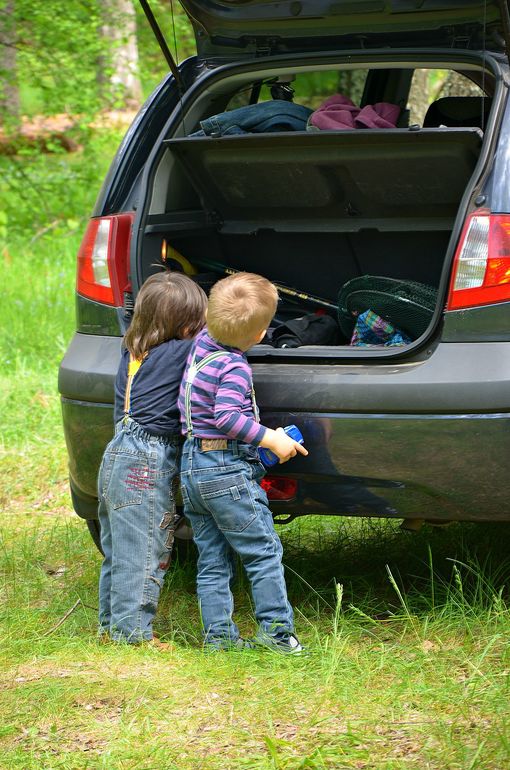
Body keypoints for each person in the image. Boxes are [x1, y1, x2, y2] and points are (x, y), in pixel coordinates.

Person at [178, 272, 308, 653]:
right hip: (224, 470)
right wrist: (272, 438)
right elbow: (227, 417)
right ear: (259, 336)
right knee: (262, 551)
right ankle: (277, 635)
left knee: (212, 558)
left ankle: (219, 638)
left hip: (193, 467)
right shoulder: (234, 367)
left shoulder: (202, 343)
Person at [97, 271, 207, 646]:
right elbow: (220, 338)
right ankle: (133, 635)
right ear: (187, 324)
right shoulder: (182, 350)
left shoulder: (130, 352)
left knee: (119, 549)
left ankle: (111, 627)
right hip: (145, 460)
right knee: (144, 549)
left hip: (117, 453)